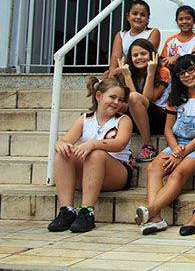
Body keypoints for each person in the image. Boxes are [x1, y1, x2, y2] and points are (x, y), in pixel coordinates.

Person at [135, 54, 195, 235]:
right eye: (181, 73)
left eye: (191, 70)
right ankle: (156, 219)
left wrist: (182, 154)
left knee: (178, 173)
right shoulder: (175, 97)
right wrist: (175, 149)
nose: (187, 75)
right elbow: (168, 129)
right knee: (154, 167)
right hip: (176, 144)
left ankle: (150, 210)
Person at [48, 77, 133, 233]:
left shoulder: (123, 120)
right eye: (112, 97)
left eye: (120, 100)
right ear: (98, 96)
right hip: (89, 174)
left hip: (117, 173)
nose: (116, 102)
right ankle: (66, 210)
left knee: (96, 154)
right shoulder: (84, 119)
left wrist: (93, 144)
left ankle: (87, 212)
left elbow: (119, 143)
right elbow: (65, 140)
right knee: (63, 154)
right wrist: (60, 144)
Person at [118, 39, 170, 162]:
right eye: (135, 55)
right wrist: (127, 76)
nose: (139, 58)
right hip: (139, 119)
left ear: (152, 55)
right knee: (116, 102)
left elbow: (148, 99)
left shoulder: (163, 71)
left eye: (143, 54)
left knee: (133, 97)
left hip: (160, 118)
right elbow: (131, 100)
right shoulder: (129, 73)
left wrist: (151, 73)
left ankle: (148, 146)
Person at [107, 0, 161, 77]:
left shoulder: (153, 32)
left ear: (147, 18)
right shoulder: (121, 35)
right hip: (124, 72)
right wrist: (111, 76)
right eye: (135, 14)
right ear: (128, 16)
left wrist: (121, 69)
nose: (138, 17)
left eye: (142, 15)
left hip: (146, 72)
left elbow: (146, 58)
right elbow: (114, 62)